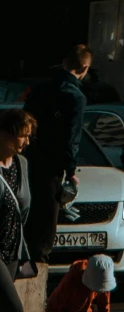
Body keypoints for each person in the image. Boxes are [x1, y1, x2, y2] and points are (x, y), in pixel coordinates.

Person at [22, 46, 91, 264]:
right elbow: (71, 138)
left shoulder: (40, 90)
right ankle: (37, 265)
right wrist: (70, 171)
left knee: (29, 214)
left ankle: (23, 260)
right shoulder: (75, 97)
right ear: (85, 68)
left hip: (29, 159)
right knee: (46, 220)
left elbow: (25, 122)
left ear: (64, 63)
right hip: (52, 164)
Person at [0, 108, 36, 312]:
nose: (25, 142)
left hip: (11, 251)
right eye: (21, 136)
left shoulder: (22, 165)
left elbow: (25, 207)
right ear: (5, 134)